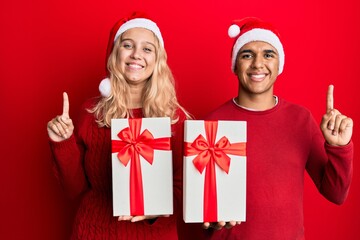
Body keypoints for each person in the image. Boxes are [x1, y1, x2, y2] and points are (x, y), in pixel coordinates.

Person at [178, 17, 354, 240]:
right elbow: (194, 223)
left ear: (279, 65)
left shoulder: (301, 119)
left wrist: (339, 148)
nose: (258, 64)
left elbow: (336, 194)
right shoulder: (209, 127)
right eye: (247, 54)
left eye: (268, 54)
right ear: (235, 65)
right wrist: (208, 224)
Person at [47, 12, 189, 240]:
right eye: (127, 45)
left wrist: (157, 209)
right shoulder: (92, 113)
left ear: (157, 59)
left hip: (154, 234)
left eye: (147, 49)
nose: (136, 55)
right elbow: (74, 190)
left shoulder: (175, 119)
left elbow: (185, 190)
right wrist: (61, 142)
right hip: (95, 231)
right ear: (115, 53)